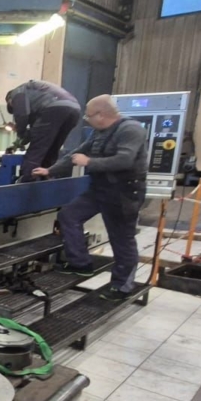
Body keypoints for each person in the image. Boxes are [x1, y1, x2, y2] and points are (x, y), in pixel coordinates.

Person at [32, 95, 149, 301]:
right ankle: (81, 263)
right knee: (69, 215)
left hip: (123, 193)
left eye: (88, 116)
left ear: (101, 115)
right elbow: (77, 154)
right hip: (100, 189)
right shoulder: (99, 132)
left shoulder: (131, 129)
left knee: (121, 239)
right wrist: (50, 170)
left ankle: (122, 286)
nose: (86, 120)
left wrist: (89, 162)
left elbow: (125, 160)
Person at [4, 80, 82, 181]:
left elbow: (21, 115)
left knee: (36, 151)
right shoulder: (36, 99)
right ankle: (47, 178)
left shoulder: (17, 92)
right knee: (52, 148)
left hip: (54, 107)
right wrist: (21, 140)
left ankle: (26, 180)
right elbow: (37, 133)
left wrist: (20, 132)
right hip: (74, 109)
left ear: (10, 100)